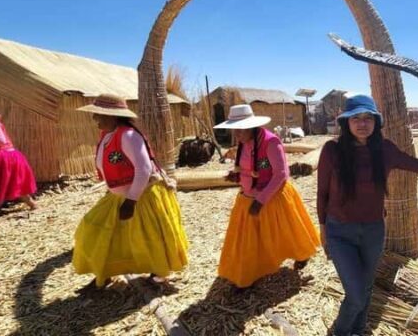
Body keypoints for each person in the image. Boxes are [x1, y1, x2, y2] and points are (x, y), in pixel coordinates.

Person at [317, 94, 418, 336]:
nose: (362, 123)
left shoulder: (384, 150)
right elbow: (322, 193)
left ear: (376, 122)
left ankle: (358, 330)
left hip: (373, 231)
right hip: (340, 233)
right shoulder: (332, 151)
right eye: (356, 118)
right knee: (355, 294)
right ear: (346, 122)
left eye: (368, 118)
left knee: (365, 289)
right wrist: (323, 230)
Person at [72, 94, 189, 293]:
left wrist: (131, 201)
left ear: (112, 116)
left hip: (142, 197)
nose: (94, 119)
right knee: (94, 230)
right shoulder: (107, 136)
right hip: (118, 197)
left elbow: (143, 169)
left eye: (98, 115)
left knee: (149, 237)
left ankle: (157, 273)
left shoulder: (128, 136)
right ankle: (104, 271)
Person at [215, 104, 320, 292]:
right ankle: (247, 275)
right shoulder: (243, 142)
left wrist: (261, 200)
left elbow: (280, 174)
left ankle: (301, 254)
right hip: (247, 196)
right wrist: (236, 175)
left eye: (239, 130)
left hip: (272, 197)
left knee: (287, 232)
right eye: (233, 129)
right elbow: (252, 167)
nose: (235, 134)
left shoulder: (271, 142)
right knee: (249, 240)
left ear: (251, 126)